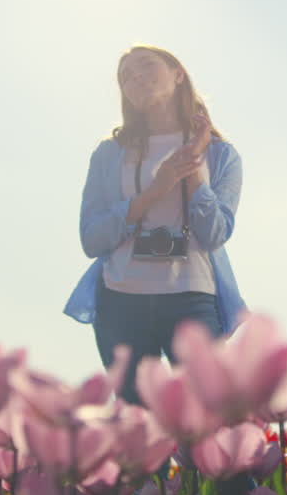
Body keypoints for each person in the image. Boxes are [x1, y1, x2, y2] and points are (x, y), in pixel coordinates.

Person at [64, 45, 247, 404]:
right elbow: (91, 238)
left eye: (146, 66)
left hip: (192, 299)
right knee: (139, 435)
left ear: (178, 73)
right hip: (120, 302)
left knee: (206, 420)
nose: (136, 78)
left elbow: (213, 234)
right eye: (126, 77)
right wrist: (154, 191)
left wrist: (193, 163)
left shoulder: (221, 154)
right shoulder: (109, 153)